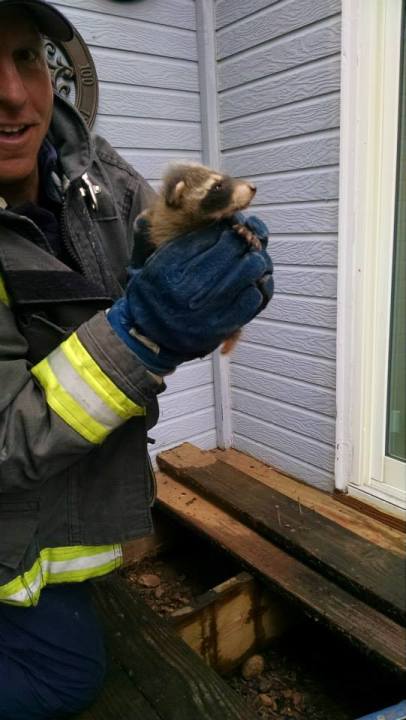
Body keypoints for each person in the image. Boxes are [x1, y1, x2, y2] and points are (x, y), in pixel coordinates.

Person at [0, 1, 274, 717]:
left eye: (26, 55)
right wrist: (145, 331)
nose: (13, 92)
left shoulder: (91, 167)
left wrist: (209, 254)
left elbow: (154, 243)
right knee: (68, 681)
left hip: (56, 527)